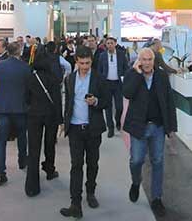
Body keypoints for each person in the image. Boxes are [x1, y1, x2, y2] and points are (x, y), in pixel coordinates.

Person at [123, 48, 177, 217]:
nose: (146, 63)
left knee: (158, 161)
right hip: (139, 126)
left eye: (149, 59)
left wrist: (171, 127)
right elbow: (127, 93)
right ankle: (136, 182)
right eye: (144, 60)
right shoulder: (132, 74)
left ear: (154, 61)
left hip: (157, 126)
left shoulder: (161, 76)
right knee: (136, 160)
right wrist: (137, 75)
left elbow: (169, 100)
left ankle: (157, 198)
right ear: (139, 60)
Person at [60, 46, 110, 219]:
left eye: (87, 63)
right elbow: (69, 101)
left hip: (93, 128)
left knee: (92, 163)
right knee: (76, 165)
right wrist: (64, 121)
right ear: (76, 62)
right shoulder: (70, 78)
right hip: (75, 128)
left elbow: (107, 101)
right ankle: (75, 203)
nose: (85, 66)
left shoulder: (99, 78)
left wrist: (96, 102)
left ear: (91, 61)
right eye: (82, 63)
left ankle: (90, 192)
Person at [0, 41, 31, 186]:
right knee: (22, 136)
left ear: (7, 51)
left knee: (1, 141)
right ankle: (22, 160)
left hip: (2, 107)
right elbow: (29, 88)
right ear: (19, 51)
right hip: (20, 107)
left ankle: (0, 173)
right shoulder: (25, 67)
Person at [25, 52, 63, 196]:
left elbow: (26, 98)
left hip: (34, 115)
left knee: (33, 149)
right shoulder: (53, 78)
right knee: (49, 144)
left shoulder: (30, 78)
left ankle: (32, 186)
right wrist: (60, 120)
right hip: (50, 115)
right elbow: (58, 101)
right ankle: (49, 169)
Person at [97, 36, 129, 137]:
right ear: (105, 45)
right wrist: (101, 81)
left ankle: (118, 120)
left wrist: (124, 78)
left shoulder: (121, 54)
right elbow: (99, 69)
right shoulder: (102, 56)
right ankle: (110, 128)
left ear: (115, 44)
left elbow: (126, 68)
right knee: (108, 107)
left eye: (111, 43)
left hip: (118, 84)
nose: (110, 45)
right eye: (108, 43)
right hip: (106, 84)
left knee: (119, 106)